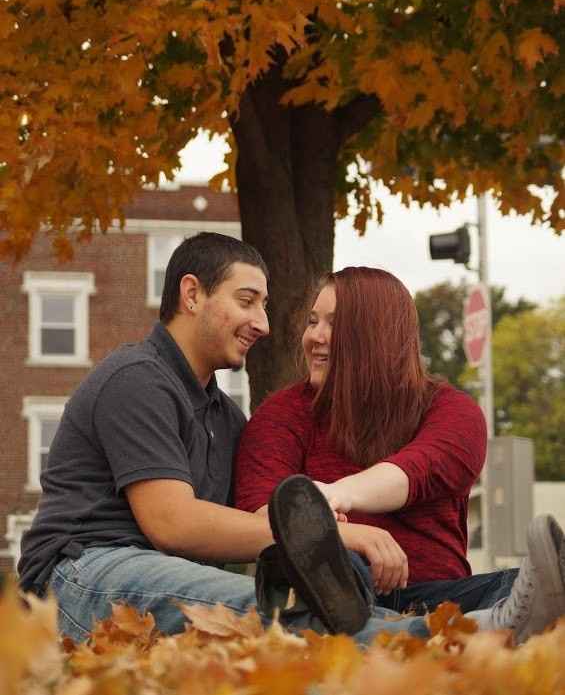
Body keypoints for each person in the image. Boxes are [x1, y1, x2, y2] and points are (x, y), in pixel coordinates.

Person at [17, 240, 565, 645]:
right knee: (259, 608)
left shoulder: (223, 416)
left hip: (162, 570)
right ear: (191, 294)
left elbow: (411, 470)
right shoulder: (137, 378)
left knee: (525, 586)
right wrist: (347, 539)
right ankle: (465, 637)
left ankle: (466, 622)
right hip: (86, 569)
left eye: (266, 306)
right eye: (248, 301)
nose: (266, 324)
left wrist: (331, 520)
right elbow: (176, 522)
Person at [236, 267, 517, 614]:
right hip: (339, 583)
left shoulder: (451, 410)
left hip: (441, 599)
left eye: (334, 324)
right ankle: (337, 599)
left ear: (377, 335)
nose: (315, 337)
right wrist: (337, 535)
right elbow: (262, 512)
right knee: (336, 564)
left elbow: (415, 471)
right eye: (313, 322)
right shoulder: (281, 414)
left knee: (516, 585)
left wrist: (325, 499)